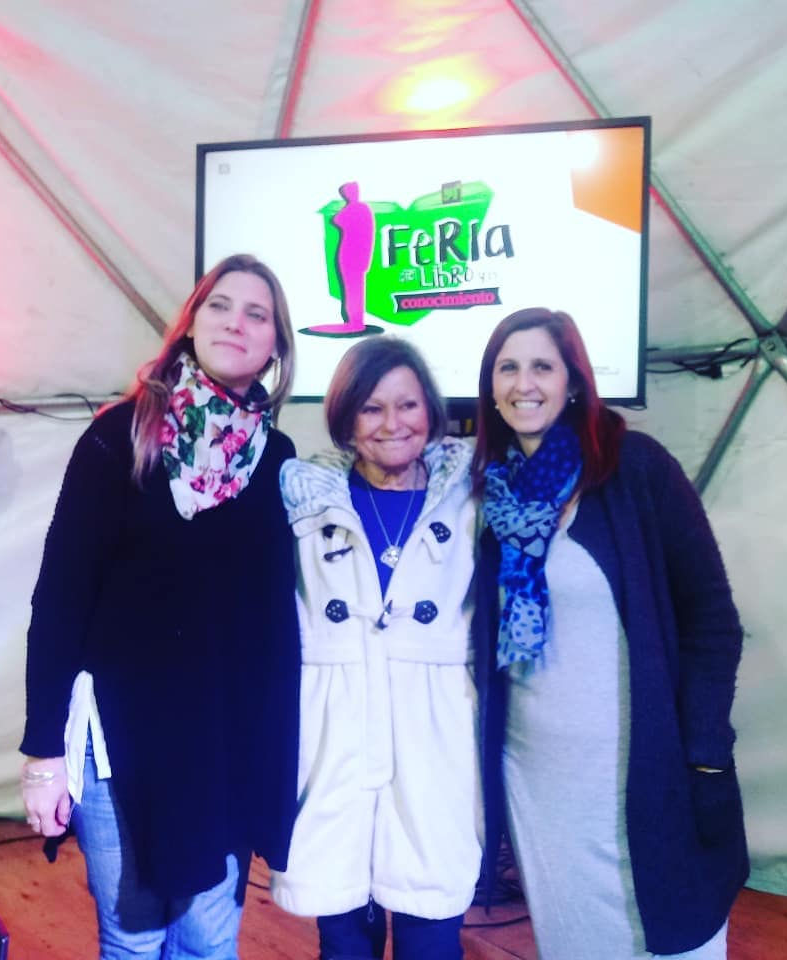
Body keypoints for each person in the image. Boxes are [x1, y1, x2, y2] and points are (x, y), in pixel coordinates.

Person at [19, 253, 302, 959]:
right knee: (135, 937)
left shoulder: (277, 459)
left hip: (222, 743)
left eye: (257, 314)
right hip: (122, 741)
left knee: (208, 941)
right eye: (219, 306)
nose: (235, 323)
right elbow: (59, 599)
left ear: (276, 346)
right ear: (191, 323)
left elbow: (273, 629)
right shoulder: (121, 436)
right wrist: (42, 749)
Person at [472, 308, 748, 959]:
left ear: (573, 382)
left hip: (637, 762)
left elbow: (713, 618)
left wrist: (704, 746)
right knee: (571, 936)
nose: (523, 384)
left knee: (671, 928)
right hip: (535, 771)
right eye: (507, 368)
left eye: (542, 366)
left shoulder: (635, 470)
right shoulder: (492, 495)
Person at [271, 336, 481, 960]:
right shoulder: (303, 504)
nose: (392, 424)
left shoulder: (475, 499)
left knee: (431, 936)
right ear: (345, 418)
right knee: (343, 939)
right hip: (334, 744)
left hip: (436, 746)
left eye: (408, 405)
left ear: (431, 411)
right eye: (371, 408)